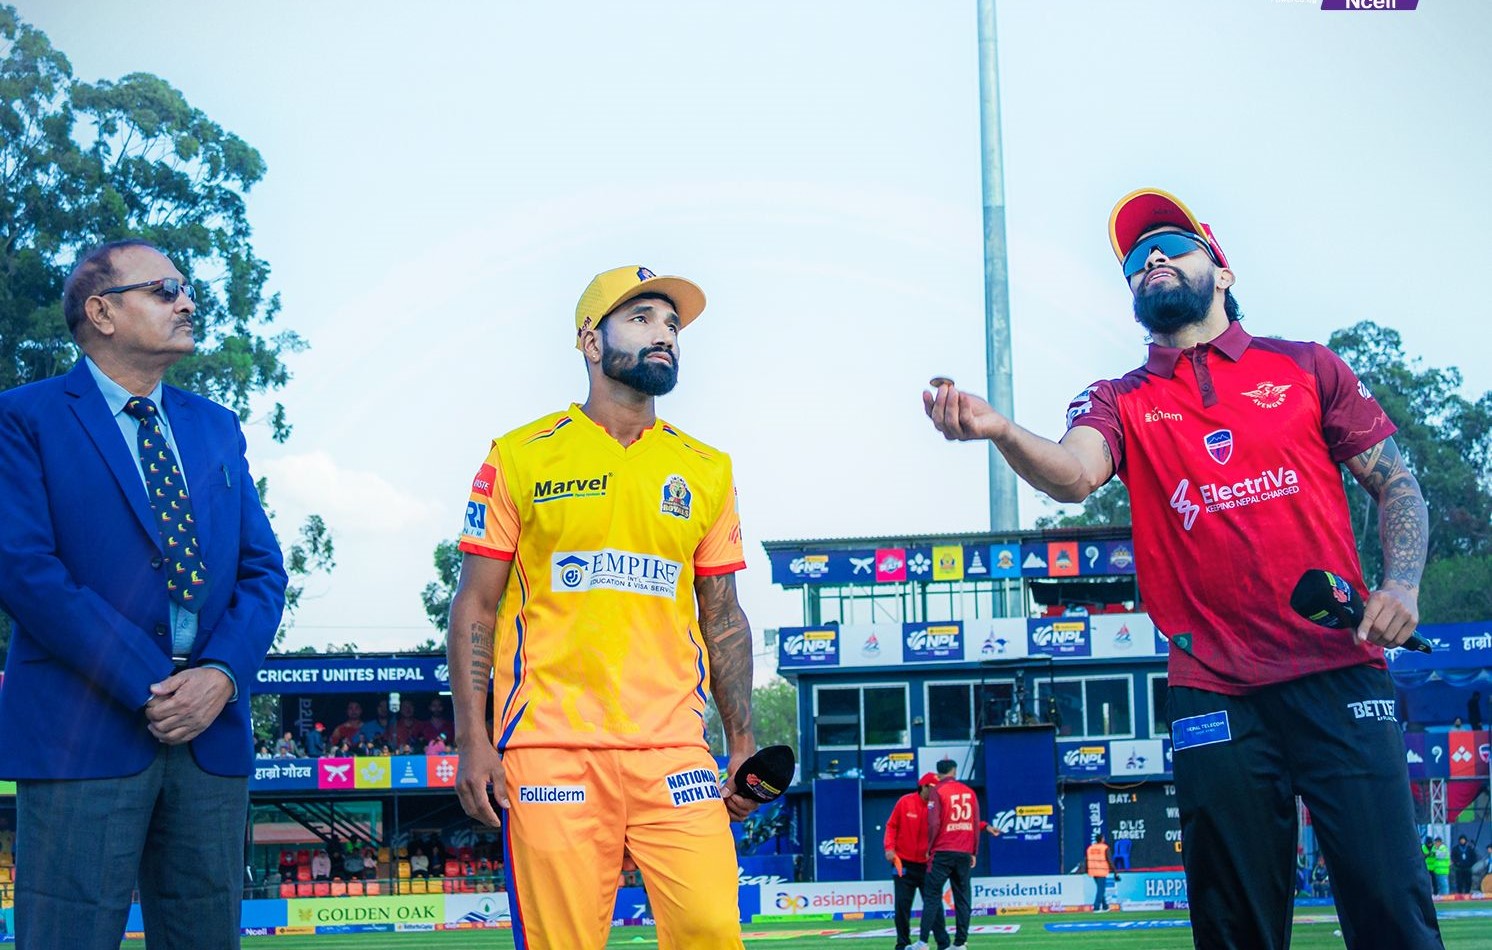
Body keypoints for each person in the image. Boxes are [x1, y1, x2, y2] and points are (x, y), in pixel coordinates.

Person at [923, 188, 1441, 950]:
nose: (1152, 258)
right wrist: (1001, 429)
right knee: (1233, 936)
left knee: (1394, 918)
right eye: (1136, 258)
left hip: (1339, 670)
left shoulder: (1306, 366)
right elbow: (1074, 472)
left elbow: (1397, 484)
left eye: (1171, 243)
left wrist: (1401, 585)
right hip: (1215, 691)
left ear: (1222, 270)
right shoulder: (1119, 399)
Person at [448, 265, 759, 949]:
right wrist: (472, 741)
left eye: (672, 325)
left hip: (675, 751)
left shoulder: (707, 468)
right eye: (641, 319)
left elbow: (724, 616)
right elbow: (474, 605)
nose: (664, 335)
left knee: (711, 929)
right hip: (549, 751)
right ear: (591, 341)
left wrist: (741, 741)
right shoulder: (519, 455)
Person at [0, 238, 288, 949]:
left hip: (210, 732)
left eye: (186, 289)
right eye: (164, 290)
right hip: (81, 730)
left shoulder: (215, 426)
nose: (187, 302)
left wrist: (220, 676)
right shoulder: (23, 418)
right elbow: (25, 570)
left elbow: (262, 572)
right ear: (101, 312)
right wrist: (154, 685)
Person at [917, 759, 979, 950]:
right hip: (964, 851)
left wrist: (930, 847)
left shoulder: (937, 791)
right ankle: (960, 943)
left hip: (943, 850)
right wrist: (973, 851)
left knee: (932, 896)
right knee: (962, 898)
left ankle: (923, 942)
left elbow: (933, 823)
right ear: (954, 771)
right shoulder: (969, 792)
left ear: (938, 774)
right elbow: (975, 822)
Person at [884, 772, 938, 950]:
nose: (936, 792)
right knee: (902, 906)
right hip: (903, 864)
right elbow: (891, 826)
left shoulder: (937, 806)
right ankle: (902, 943)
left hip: (927, 865)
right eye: (932, 788)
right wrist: (889, 848)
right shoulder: (905, 802)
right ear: (923, 787)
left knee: (933, 905)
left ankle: (942, 943)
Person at [1087, 832, 1115, 911]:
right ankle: (1096, 907)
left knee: (1100, 889)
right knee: (1101, 889)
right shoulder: (1105, 848)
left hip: (1093, 870)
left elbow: (1087, 860)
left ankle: (1105, 906)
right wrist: (1115, 871)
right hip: (1101, 870)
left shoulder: (1090, 848)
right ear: (1102, 839)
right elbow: (1109, 860)